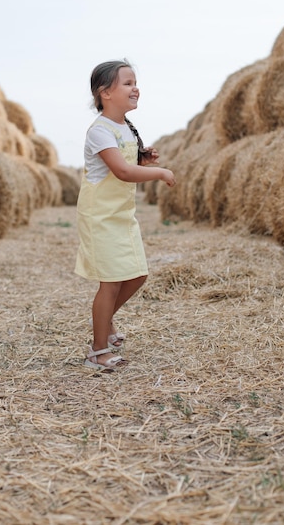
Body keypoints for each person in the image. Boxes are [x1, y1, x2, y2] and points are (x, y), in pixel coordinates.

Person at [75, 60, 176, 371]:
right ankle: (98, 349)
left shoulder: (124, 128)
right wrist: (158, 172)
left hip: (120, 215)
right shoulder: (100, 130)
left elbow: (124, 161)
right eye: (127, 83)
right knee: (111, 283)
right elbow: (120, 170)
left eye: (135, 82)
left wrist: (142, 159)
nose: (136, 88)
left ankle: (104, 321)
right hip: (101, 216)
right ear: (105, 92)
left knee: (137, 275)